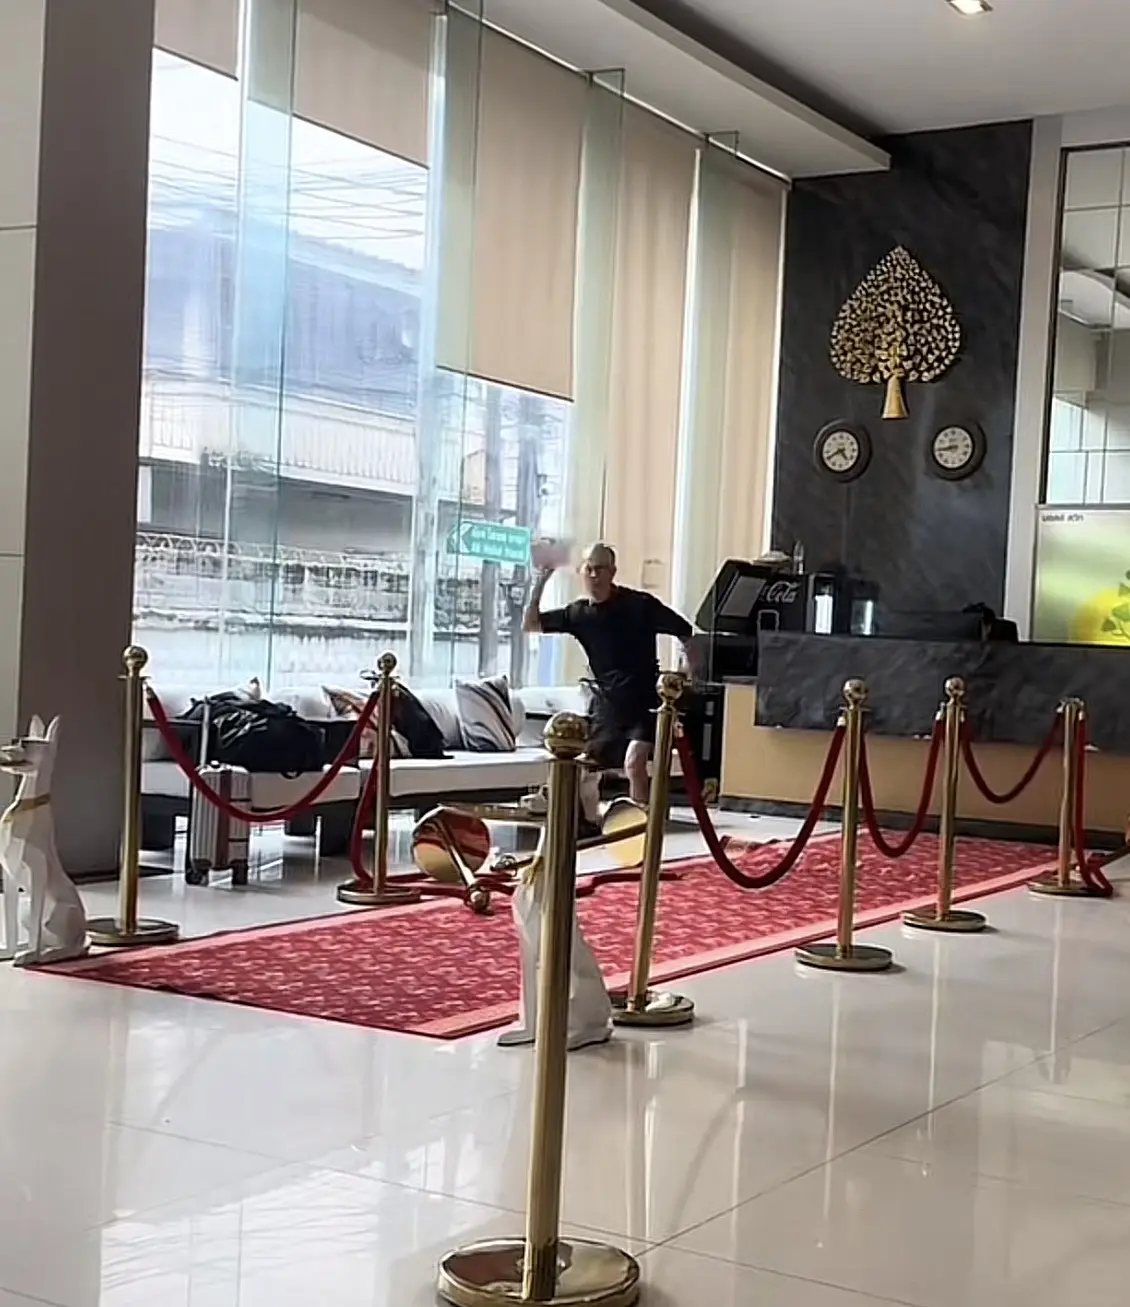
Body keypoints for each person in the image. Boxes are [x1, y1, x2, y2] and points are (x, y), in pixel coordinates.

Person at [524, 541, 696, 824]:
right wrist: (541, 581)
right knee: (588, 765)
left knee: (634, 763)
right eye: (589, 569)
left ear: (612, 572)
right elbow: (531, 624)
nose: (594, 575)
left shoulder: (639, 605)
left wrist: (685, 674)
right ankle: (585, 819)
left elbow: (686, 632)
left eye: (601, 569)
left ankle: (644, 829)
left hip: (645, 699)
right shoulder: (579, 614)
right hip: (608, 702)